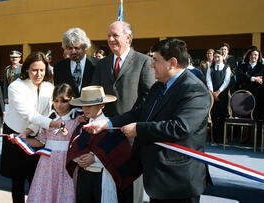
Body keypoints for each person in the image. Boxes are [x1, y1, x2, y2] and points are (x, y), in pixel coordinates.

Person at [85, 38, 212, 203]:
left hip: (179, 180)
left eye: (156, 60)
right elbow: (139, 113)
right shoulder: (160, 85)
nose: (151, 65)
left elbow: (180, 127)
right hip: (157, 176)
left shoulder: (194, 90)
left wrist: (139, 129)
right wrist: (107, 123)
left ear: (172, 63)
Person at [91, 21, 156, 203]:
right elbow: (95, 95)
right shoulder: (102, 64)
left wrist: (130, 121)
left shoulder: (144, 62)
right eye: (109, 35)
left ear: (128, 37)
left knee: (131, 190)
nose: (111, 39)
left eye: (115, 35)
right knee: (108, 188)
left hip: (131, 136)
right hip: (105, 134)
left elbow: (148, 99)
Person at [0, 52, 63, 203]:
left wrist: (30, 130)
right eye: (34, 70)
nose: (38, 74)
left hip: (37, 135)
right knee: (17, 181)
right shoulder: (15, 86)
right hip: (16, 135)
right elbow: (28, 113)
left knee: (36, 177)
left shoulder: (49, 87)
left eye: (42, 70)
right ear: (26, 69)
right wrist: (50, 124)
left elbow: (47, 113)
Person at [66, 86, 133, 203]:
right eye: (83, 105)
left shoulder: (112, 127)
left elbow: (120, 154)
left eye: (89, 106)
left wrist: (95, 159)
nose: (85, 109)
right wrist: (79, 158)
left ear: (102, 105)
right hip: (84, 177)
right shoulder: (81, 127)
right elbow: (74, 148)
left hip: (103, 177)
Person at [25, 83, 81, 203]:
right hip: (47, 164)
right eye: (56, 101)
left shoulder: (77, 119)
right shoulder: (48, 119)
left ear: (72, 99)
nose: (59, 105)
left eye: (64, 101)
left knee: (64, 192)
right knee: (45, 193)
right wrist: (22, 140)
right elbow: (40, 142)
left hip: (67, 162)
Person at [54, 28, 99, 97]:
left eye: (77, 48)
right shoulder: (59, 67)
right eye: (70, 48)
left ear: (85, 47)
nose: (73, 51)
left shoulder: (98, 64)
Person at [206, 50, 231, 143]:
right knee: (214, 115)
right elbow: (208, 80)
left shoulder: (227, 68)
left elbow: (226, 81)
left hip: (222, 94)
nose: (216, 59)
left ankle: (222, 137)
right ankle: (214, 137)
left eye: (218, 57)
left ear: (222, 57)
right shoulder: (210, 67)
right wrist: (212, 92)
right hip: (212, 95)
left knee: (222, 115)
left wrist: (218, 92)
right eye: (215, 57)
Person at [236, 48, 264, 120]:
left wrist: (247, 77)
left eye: (255, 55)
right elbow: (239, 78)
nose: (253, 56)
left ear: (259, 57)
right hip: (244, 95)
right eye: (251, 54)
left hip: (259, 96)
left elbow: (261, 79)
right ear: (248, 56)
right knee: (245, 119)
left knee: (258, 118)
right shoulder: (242, 66)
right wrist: (254, 78)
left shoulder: (262, 67)